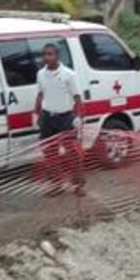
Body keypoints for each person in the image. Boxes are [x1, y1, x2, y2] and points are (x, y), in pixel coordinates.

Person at [34, 42, 84, 194]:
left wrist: (79, 117)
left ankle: (78, 185)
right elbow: (40, 94)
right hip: (48, 118)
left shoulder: (69, 75)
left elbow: (77, 98)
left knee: (73, 152)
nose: (47, 57)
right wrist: (36, 113)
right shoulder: (41, 74)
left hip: (65, 118)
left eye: (50, 54)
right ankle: (56, 185)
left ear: (57, 56)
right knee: (50, 153)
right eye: (44, 54)